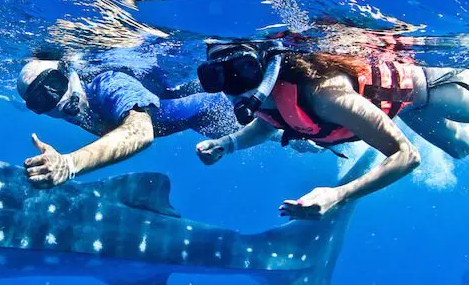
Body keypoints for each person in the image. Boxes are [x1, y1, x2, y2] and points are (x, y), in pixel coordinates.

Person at [194, 41, 469, 219]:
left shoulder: (325, 95)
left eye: (243, 69)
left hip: (438, 88)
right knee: (459, 149)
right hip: (410, 109)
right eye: (214, 76)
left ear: (266, 64)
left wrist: (339, 195)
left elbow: (407, 155)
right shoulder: (270, 96)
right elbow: (269, 124)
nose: (233, 86)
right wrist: (228, 143)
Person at [16, 58, 239, 188]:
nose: (57, 100)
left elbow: (141, 132)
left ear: (68, 72)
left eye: (53, 85)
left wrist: (69, 164)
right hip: (196, 121)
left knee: (270, 130)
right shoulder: (72, 111)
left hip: (223, 105)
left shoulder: (108, 83)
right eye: (41, 100)